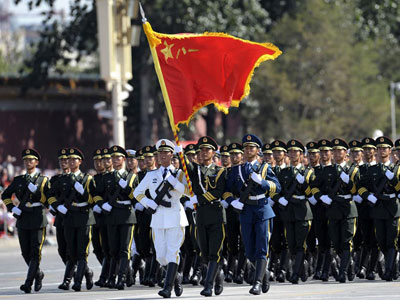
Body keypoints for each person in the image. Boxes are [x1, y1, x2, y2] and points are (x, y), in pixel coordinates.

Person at [225, 134, 280, 295]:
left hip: (262, 209)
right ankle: (264, 275)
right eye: (246, 147)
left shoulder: (264, 168)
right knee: (249, 250)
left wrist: (262, 182)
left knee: (262, 248)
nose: (248, 150)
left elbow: (277, 187)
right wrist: (231, 201)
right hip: (246, 210)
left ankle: (256, 283)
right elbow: (227, 190)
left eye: (252, 147)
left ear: (258, 150)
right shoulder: (236, 170)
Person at [134, 139, 189, 298]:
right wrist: (148, 202)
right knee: (160, 255)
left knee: (173, 252)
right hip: (158, 217)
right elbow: (138, 192)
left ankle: (167, 287)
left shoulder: (179, 174)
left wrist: (175, 184)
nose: (163, 156)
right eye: (160, 153)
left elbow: (189, 192)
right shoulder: (152, 175)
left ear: (172, 154)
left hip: (175, 216)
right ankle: (176, 276)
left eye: (166, 152)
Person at [1, 149, 50, 293]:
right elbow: (6, 195)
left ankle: (28, 283)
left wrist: (37, 192)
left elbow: (48, 201)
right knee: (25, 252)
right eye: (26, 160)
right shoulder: (19, 180)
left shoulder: (43, 180)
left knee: (35, 252)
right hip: (22, 216)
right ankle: (38, 273)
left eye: (31, 160)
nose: (28, 162)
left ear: (36, 162)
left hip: (37, 216)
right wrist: (12, 208)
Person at [185, 136, 227, 297]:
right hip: (201, 215)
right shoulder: (195, 170)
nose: (203, 153)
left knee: (215, 252)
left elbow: (218, 192)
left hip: (216, 214)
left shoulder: (220, 171)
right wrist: (180, 153)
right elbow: (185, 166)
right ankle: (218, 276)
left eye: (206, 150)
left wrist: (199, 198)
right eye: (200, 150)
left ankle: (208, 286)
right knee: (204, 252)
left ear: (213, 152)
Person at [51, 148, 95, 292]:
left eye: (73, 159)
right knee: (70, 251)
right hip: (69, 216)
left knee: (82, 252)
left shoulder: (87, 179)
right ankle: (67, 281)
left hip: (83, 216)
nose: (69, 162)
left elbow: (93, 199)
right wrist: (57, 207)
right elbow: (51, 195)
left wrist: (83, 192)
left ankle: (76, 281)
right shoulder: (62, 179)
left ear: (80, 161)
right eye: (68, 160)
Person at [271, 140, 313, 284]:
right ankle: (302, 265)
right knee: (291, 244)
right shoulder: (283, 173)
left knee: (301, 244)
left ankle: (295, 273)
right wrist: (279, 199)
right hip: (288, 211)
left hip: (302, 211)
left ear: (301, 154)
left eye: (296, 152)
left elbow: (311, 193)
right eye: (291, 152)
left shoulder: (307, 172)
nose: (293, 154)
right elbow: (276, 190)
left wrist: (305, 184)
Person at [358, 136, 400, 281]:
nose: (382, 150)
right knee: (381, 241)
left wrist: (393, 179)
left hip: (393, 209)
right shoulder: (372, 169)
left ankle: (389, 270)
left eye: (385, 148)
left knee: (391, 241)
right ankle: (391, 268)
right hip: (377, 210)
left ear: (390, 151)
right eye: (380, 148)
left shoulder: (397, 168)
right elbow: (361, 186)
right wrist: (367, 195)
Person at [98, 145, 138, 290]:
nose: (114, 160)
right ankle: (114, 277)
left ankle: (120, 278)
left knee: (125, 249)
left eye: (117, 157)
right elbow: (98, 194)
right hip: (112, 214)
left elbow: (136, 197)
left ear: (124, 159)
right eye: (112, 157)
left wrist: (126, 187)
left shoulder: (132, 177)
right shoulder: (107, 177)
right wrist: (102, 204)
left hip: (127, 215)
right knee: (113, 249)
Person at [47, 148, 78, 290]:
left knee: (72, 250)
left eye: (66, 160)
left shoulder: (77, 178)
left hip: (74, 216)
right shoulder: (55, 179)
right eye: (61, 161)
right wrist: (54, 206)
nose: (64, 163)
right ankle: (81, 271)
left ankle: (69, 277)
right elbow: (49, 196)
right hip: (60, 217)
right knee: (62, 249)